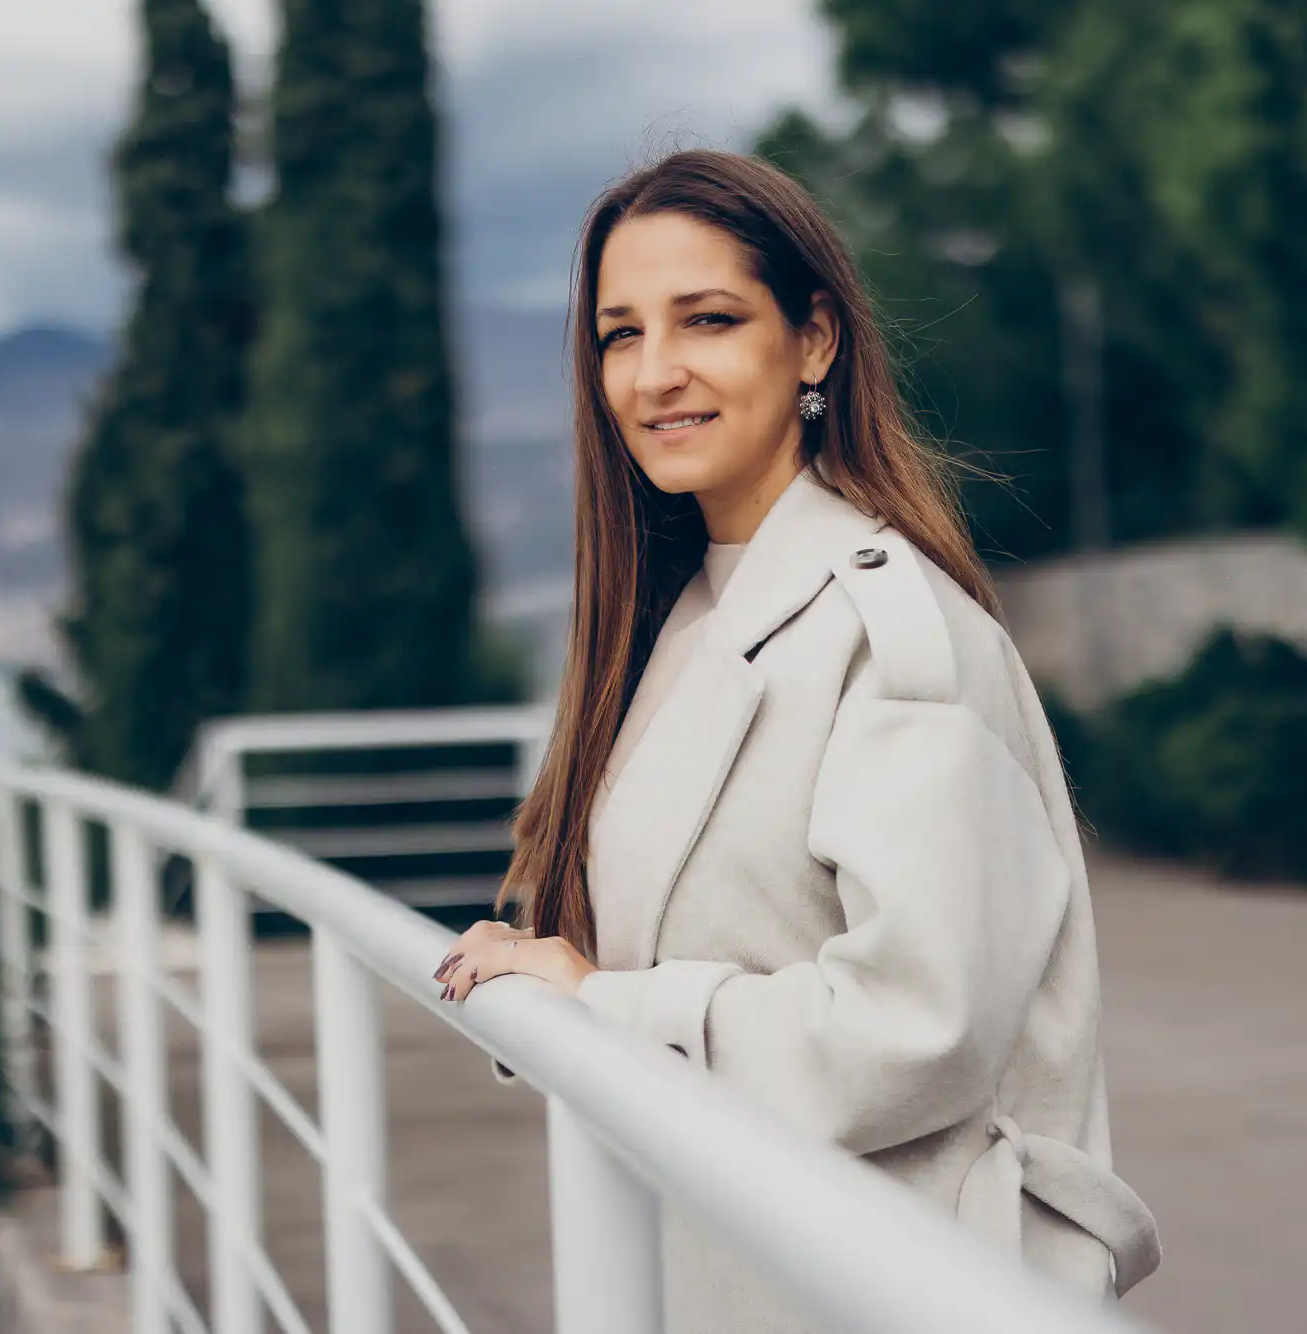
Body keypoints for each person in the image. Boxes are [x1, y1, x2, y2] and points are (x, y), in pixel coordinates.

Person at [430, 149, 1160, 1325]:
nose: (654, 372)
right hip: (730, 1271)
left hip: (892, 1282)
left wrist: (600, 1002)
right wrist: (544, 976)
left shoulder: (895, 639)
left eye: (707, 320)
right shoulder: (680, 618)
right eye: (619, 334)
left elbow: (914, 1025)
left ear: (812, 340)